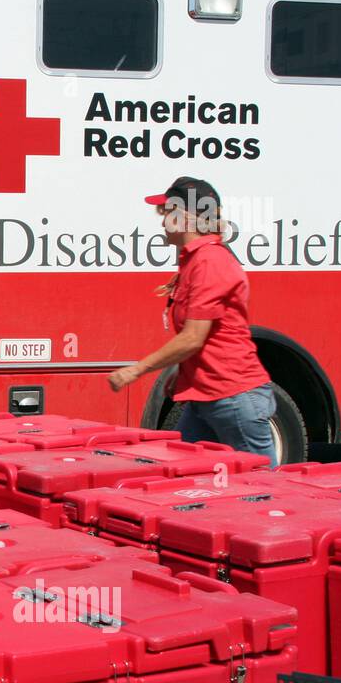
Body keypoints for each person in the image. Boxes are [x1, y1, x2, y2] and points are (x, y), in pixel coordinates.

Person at [108, 176, 279, 466]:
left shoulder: (210, 261)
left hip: (233, 397)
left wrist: (136, 370)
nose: (162, 223)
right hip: (210, 396)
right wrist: (182, 370)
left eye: (166, 214)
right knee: (182, 469)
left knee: (265, 487)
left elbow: (193, 337)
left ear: (184, 218)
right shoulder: (196, 259)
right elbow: (205, 335)